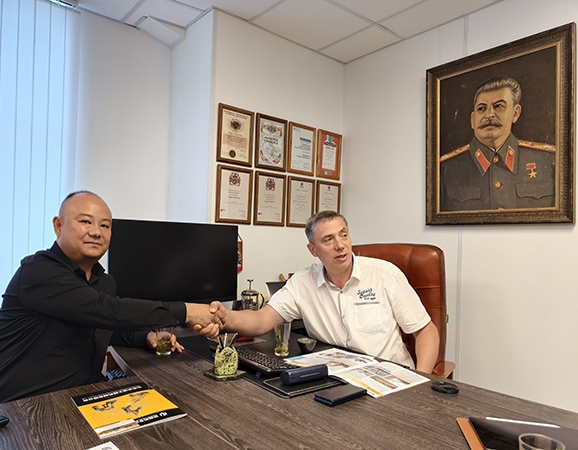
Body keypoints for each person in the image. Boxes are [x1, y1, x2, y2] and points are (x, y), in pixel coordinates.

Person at [0, 191, 225, 407]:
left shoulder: (103, 282)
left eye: (105, 226)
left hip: (74, 400)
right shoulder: (38, 271)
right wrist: (187, 311)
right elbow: (107, 310)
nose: (96, 232)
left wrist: (146, 336)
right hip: (12, 408)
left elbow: (103, 326)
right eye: (85, 221)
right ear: (58, 226)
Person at [212, 210, 439, 373]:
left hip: (390, 378)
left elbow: (425, 331)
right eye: (328, 240)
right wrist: (225, 317)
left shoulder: (385, 275)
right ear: (313, 250)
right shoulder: (302, 282)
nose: (340, 245)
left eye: (343, 235)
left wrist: (421, 381)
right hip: (336, 378)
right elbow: (262, 320)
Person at [440, 76, 556, 211]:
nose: (489, 115)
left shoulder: (549, 160)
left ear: (515, 113)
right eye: (481, 108)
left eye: (498, 106)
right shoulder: (445, 169)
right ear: (472, 120)